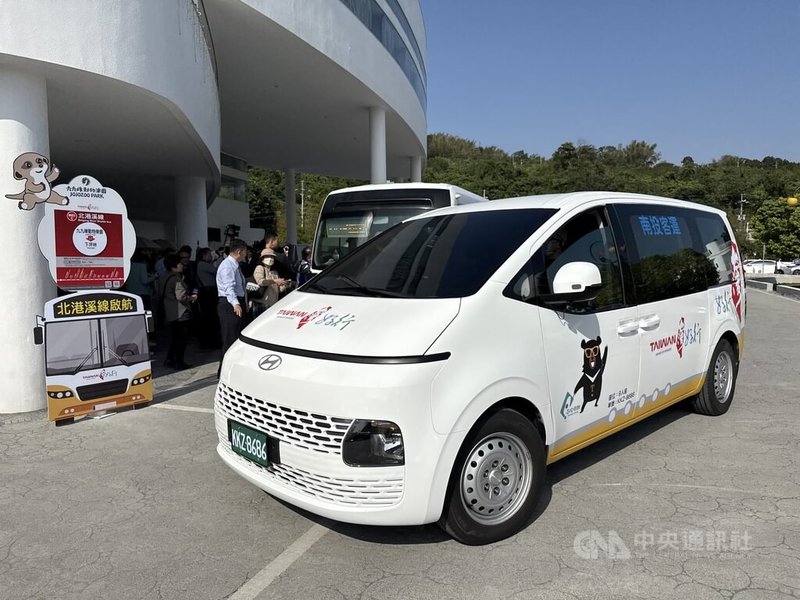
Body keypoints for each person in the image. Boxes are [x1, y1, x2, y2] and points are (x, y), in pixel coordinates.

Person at [159, 253, 197, 369]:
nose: (182, 265)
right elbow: (181, 297)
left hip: (169, 311)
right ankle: (179, 362)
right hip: (180, 313)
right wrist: (192, 298)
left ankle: (170, 359)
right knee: (181, 339)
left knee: (174, 339)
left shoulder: (163, 276)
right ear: (174, 266)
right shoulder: (176, 279)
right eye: (180, 263)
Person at [216, 238, 248, 377]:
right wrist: (235, 303)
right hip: (229, 304)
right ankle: (224, 372)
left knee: (236, 338)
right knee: (230, 339)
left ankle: (233, 370)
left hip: (236, 302)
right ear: (239, 251)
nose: (246, 254)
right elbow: (229, 287)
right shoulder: (227, 266)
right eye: (245, 251)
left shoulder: (234, 265)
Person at [251, 248, 290, 315]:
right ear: (262, 258)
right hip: (261, 303)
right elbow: (260, 282)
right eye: (267, 256)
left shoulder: (275, 272)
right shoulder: (260, 268)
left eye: (272, 257)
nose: (270, 258)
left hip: (273, 304)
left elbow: (279, 290)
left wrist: (285, 285)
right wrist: (275, 281)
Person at [195, 247, 221, 348]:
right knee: (210, 317)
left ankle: (209, 341)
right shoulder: (203, 264)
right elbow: (217, 271)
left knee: (210, 317)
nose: (211, 256)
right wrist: (218, 260)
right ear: (204, 255)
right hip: (208, 292)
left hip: (208, 292)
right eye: (209, 255)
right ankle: (210, 342)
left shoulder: (202, 264)